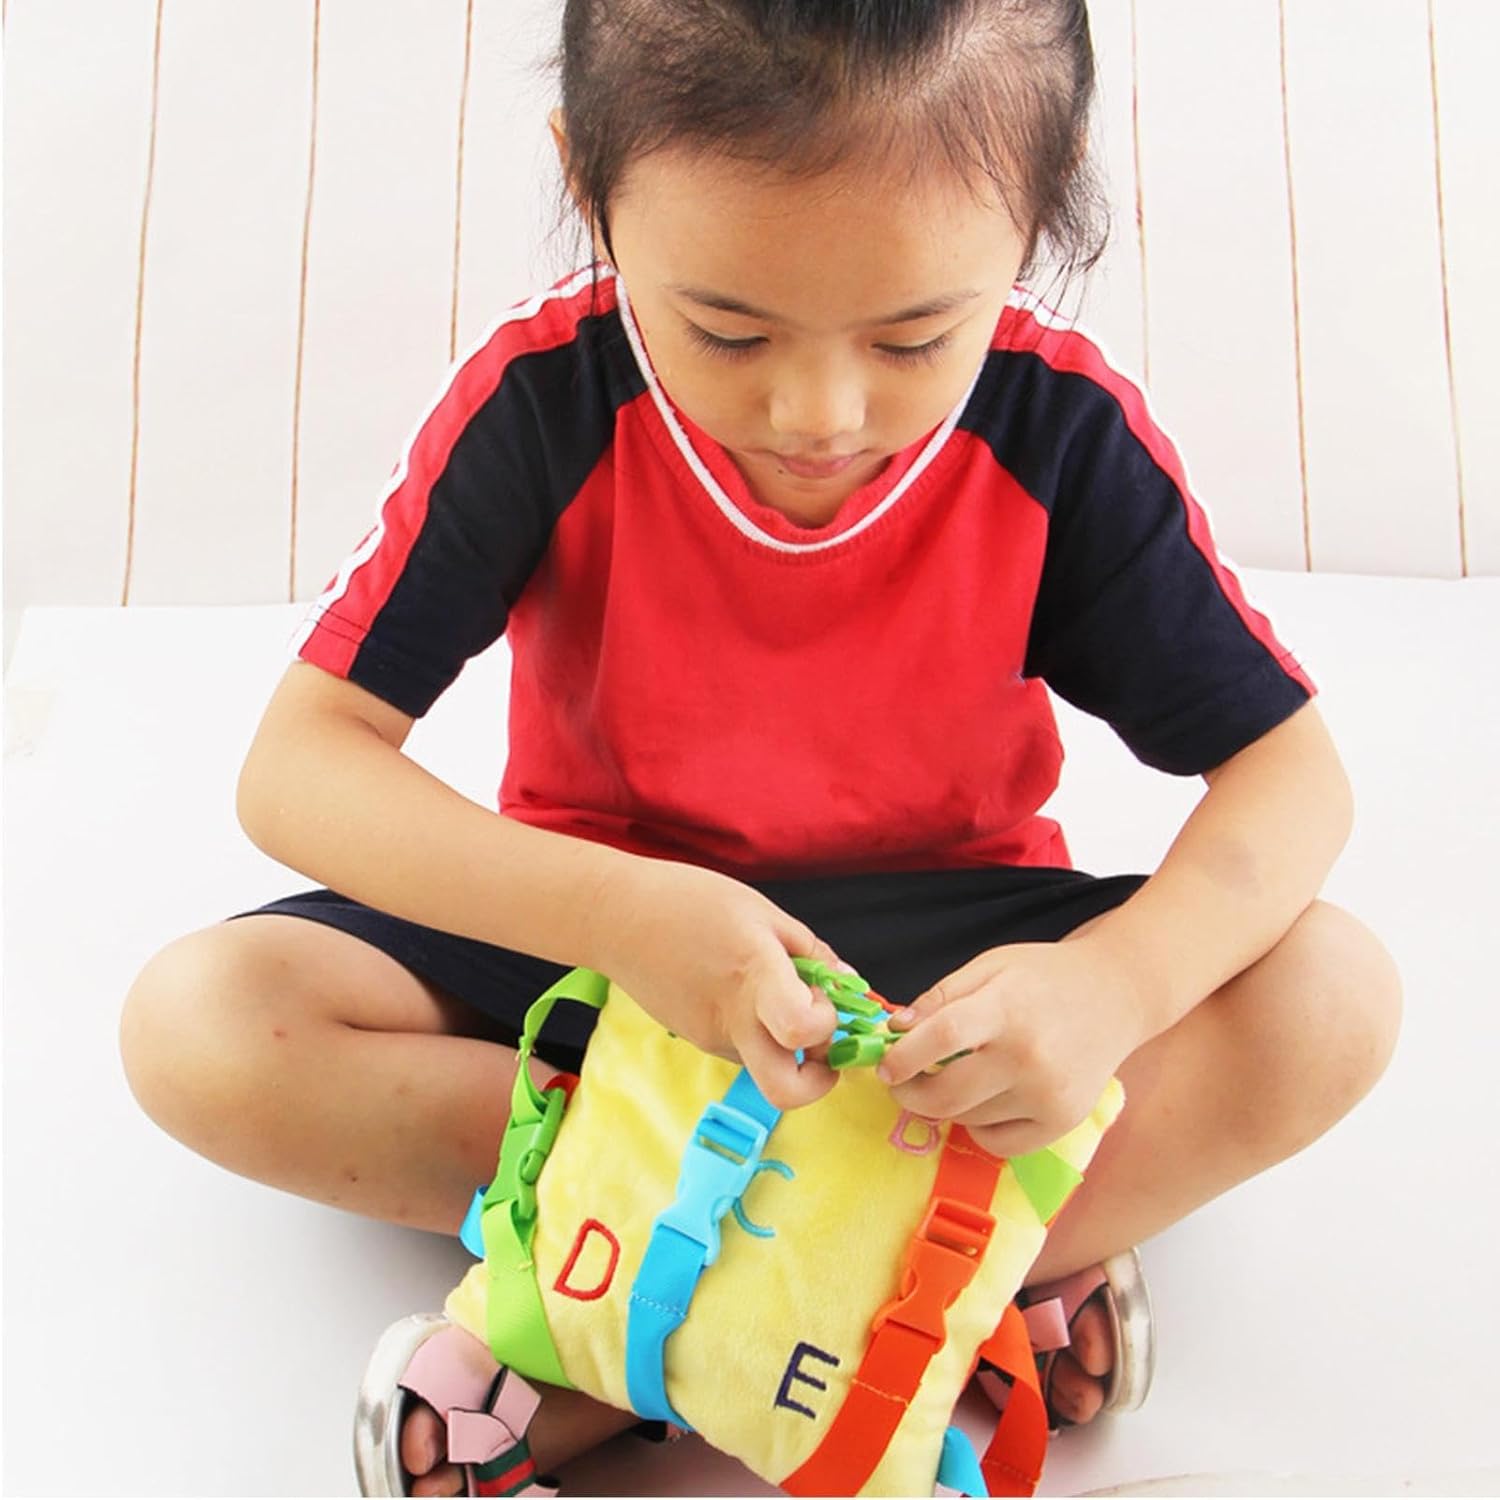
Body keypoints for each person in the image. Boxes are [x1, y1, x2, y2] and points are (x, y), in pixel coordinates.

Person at [119, 1, 1402, 1494]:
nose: (819, 415)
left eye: (915, 336)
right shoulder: (545, 404)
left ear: (1040, 208)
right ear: (589, 184)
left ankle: (612, 1339)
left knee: (1331, 993)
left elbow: (1291, 777)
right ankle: (934, 1296)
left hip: (931, 1002)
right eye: (728, 331)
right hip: (613, 965)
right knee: (205, 1023)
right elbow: (302, 766)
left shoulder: (1057, 431)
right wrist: (630, 917)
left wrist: (1113, 989)